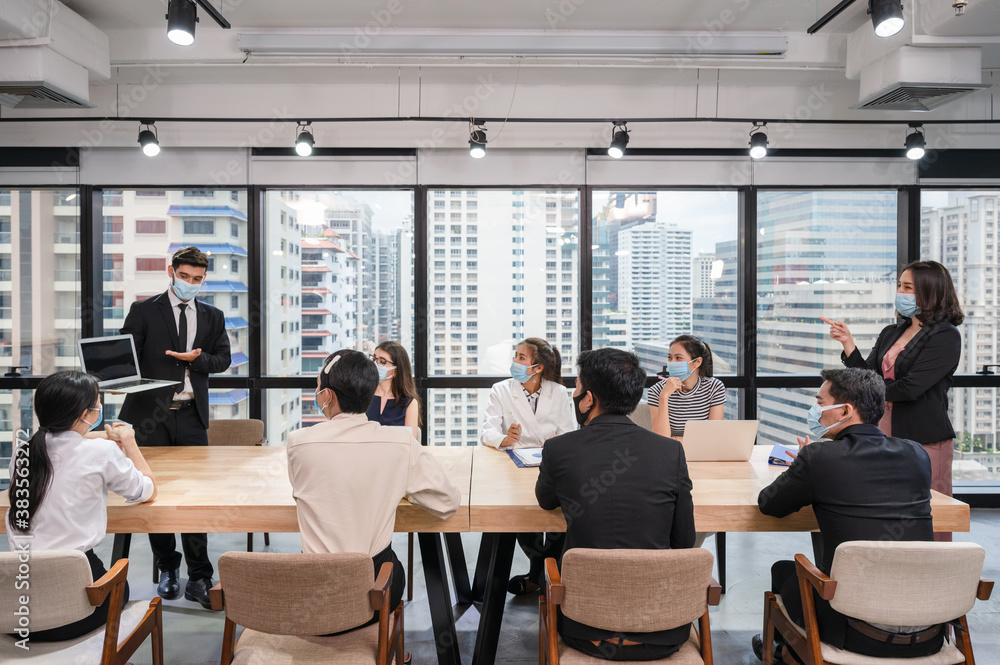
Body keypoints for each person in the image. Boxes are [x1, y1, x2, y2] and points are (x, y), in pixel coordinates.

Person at [754, 368, 938, 663]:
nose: (815, 410)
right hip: (928, 628)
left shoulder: (818, 457)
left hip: (855, 631)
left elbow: (769, 504)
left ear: (845, 410)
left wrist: (804, 465)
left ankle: (789, 652)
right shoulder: (916, 453)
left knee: (784, 571)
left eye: (819, 402)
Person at [535, 348, 696, 661]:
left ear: (590, 399)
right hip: (663, 633)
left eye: (578, 389)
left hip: (584, 631)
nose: (575, 395)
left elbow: (545, 500)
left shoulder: (559, 449)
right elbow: (684, 541)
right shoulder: (670, 452)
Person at [287, 349, 461, 622]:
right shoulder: (400, 444)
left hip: (309, 599)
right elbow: (447, 503)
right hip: (374, 595)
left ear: (328, 396)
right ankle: (381, 648)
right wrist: (401, 486)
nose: (317, 392)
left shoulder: (298, 442)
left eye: (319, 387)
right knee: (392, 565)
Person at [119, 245, 231, 608]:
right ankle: (168, 566)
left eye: (197, 279)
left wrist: (197, 361)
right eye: (184, 276)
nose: (190, 283)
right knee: (155, 494)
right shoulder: (144, 310)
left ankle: (200, 574)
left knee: (196, 496)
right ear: (172, 272)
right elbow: (126, 356)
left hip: (190, 415)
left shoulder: (213, 316)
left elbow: (223, 360)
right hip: (150, 415)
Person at [5, 371, 156, 641]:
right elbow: (147, 490)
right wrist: (130, 442)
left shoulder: (24, 452)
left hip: (16, 613)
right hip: (76, 612)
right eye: (97, 403)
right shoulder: (101, 453)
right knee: (123, 585)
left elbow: (66, 446)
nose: (99, 408)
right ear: (85, 413)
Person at [823, 260, 962, 540]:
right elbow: (867, 375)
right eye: (899, 285)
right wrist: (848, 344)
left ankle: (935, 579)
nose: (900, 291)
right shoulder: (893, 331)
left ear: (929, 292)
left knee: (929, 517)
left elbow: (910, 388)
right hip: (885, 434)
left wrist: (872, 387)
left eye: (907, 287)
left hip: (924, 439)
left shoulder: (945, 336)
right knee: (886, 515)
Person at [481, 337, 576, 595]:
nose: (515, 362)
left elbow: (568, 431)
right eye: (516, 356)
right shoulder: (501, 390)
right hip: (515, 465)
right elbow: (486, 430)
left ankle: (539, 576)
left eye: (522, 358)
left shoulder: (557, 392)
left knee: (558, 516)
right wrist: (504, 438)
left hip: (550, 463)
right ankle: (545, 576)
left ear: (538, 367)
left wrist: (558, 441)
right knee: (524, 518)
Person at [648, 335, 725, 440]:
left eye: (678, 358)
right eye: (670, 357)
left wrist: (675, 438)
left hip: (703, 454)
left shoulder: (714, 387)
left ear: (697, 362)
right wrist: (664, 396)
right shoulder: (656, 391)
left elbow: (714, 436)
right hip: (671, 454)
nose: (672, 363)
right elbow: (661, 440)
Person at [366, 341, 420, 437]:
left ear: (396, 370)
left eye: (382, 362)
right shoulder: (362, 395)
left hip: (396, 451)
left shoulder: (409, 402)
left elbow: (410, 442)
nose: (375, 364)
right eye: (374, 359)